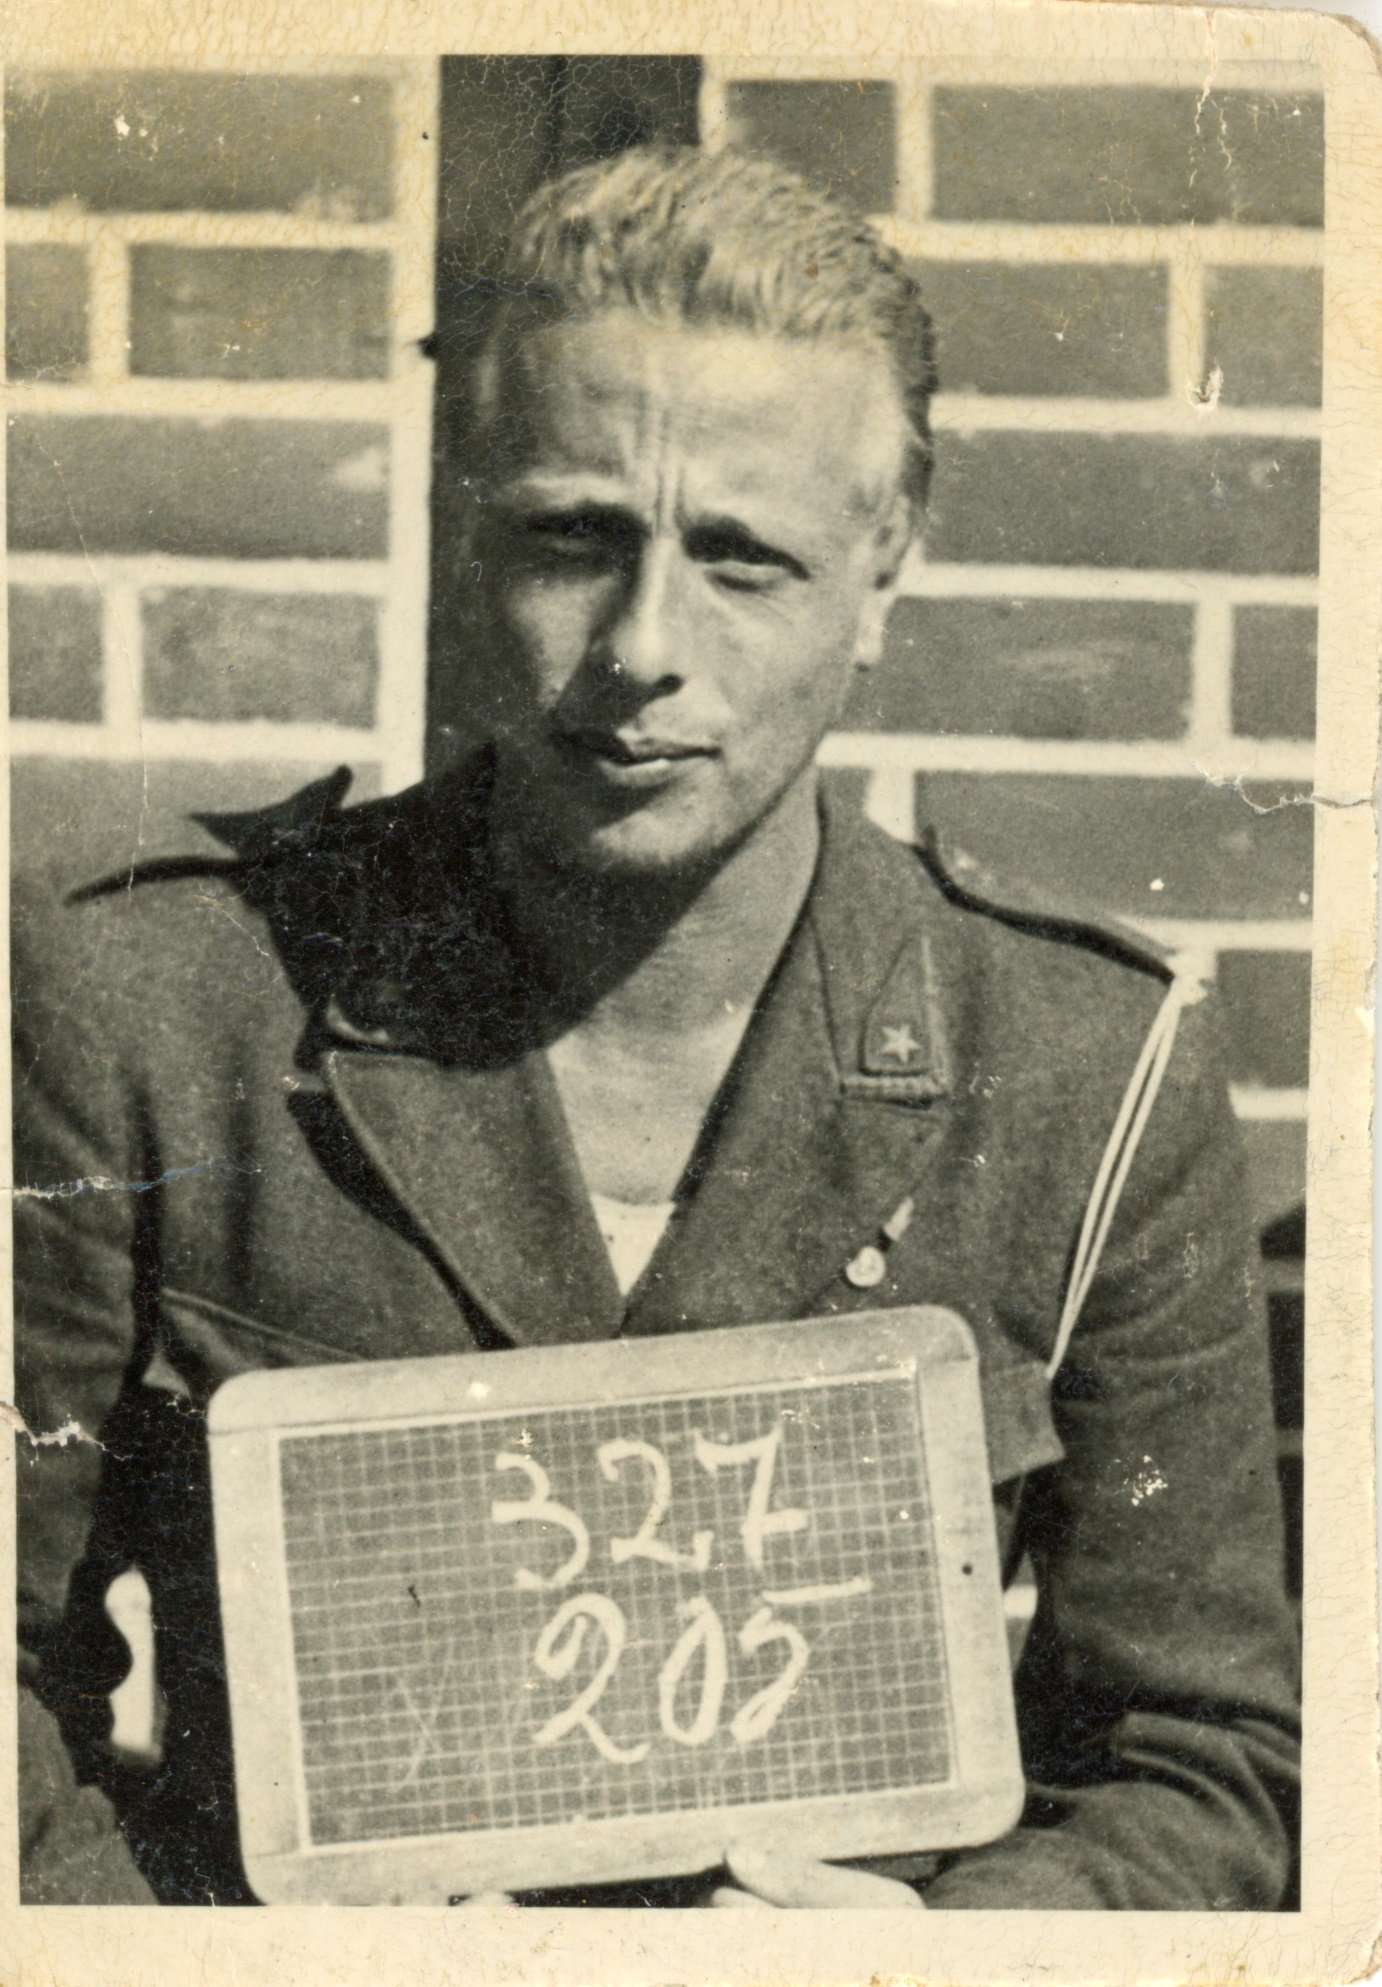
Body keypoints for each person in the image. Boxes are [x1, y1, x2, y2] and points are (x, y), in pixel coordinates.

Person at [14, 145, 1299, 1910]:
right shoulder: (161, 1004)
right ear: (466, 526)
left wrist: (940, 1958)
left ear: (882, 573)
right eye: (573, 536)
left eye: (743, 560)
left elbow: (1197, 1763)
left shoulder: (1087, 1074)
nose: (641, 646)